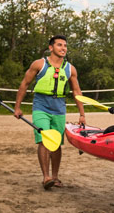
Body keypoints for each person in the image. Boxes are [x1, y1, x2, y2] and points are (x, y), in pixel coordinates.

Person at [14, 35, 87, 190]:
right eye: (59, 45)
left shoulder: (70, 69)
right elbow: (25, 84)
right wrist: (17, 107)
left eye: (65, 46)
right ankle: (46, 177)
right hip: (41, 106)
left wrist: (82, 114)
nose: (63, 48)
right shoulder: (39, 64)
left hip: (59, 107)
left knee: (55, 143)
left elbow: (76, 91)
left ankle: (55, 177)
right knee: (44, 139)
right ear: (51, 47)